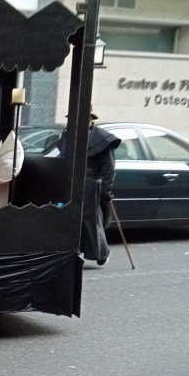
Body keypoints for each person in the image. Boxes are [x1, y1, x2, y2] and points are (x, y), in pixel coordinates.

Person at [51, 111, 121, 265]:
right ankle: (71, 252)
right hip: (69, 182)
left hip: (89, 185)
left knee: (89, 219)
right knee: (68, 217)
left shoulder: (101, 138)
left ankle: (101, 253)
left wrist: (106, 189)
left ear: (90, 119)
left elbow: (109, 168)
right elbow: (60, 158)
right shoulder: (68, 135)